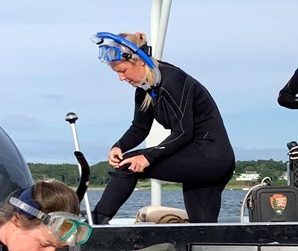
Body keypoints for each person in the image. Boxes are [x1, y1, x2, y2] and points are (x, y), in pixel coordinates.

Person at [90, 31, 236, 224]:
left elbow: (183, 132)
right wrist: (119, 146)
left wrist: (148, 156)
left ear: (140, 61)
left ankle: (95, 224)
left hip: (211, 156)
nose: (121, 78)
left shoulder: (173, 80)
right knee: (202, 228)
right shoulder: (145, 88)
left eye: (122, 71)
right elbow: (140, 128)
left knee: (128, 165)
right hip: (198, 158)